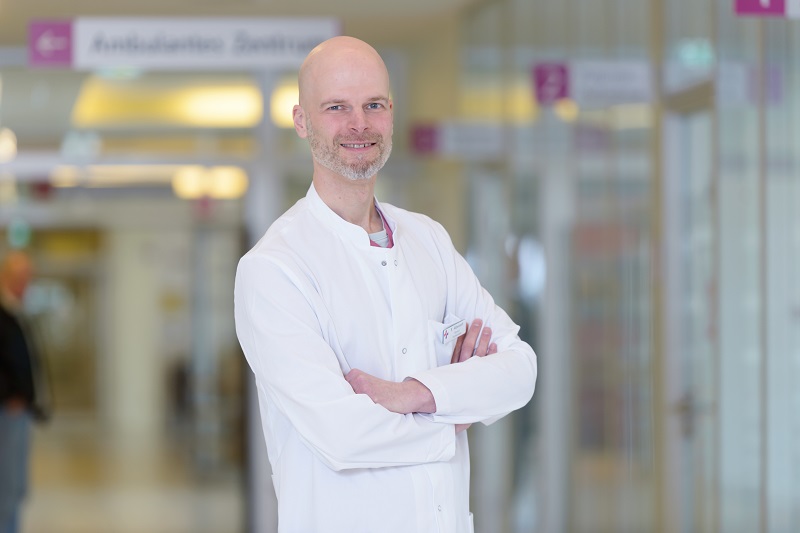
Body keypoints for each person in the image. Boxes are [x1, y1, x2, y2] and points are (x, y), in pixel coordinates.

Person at [234, 36, 537, 533]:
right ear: (302, 121)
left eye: (373, 105)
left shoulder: (429, 241)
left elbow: (520, 369)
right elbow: (344, 435)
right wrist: (456, 413)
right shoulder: (274, 269)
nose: (359, 124)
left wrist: (415, 394)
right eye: (337, 107)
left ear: (391, 113)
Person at [0, 250, 47, 533]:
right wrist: (9, 395)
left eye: (28, 278)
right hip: (7, 411)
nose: (25, 284)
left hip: (19, 410)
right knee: (6, 484)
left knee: (16, 484)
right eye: (20, 277)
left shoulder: (17, 314)